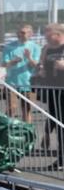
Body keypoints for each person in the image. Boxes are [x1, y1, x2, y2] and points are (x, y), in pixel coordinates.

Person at [34, 23, 64, 169]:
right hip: (53, 91)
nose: (45, 37)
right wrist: (40, 70)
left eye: (47, 34)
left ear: (57, 35)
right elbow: (40, 63)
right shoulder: (46, 48)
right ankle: (61, 159)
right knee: (59, 125)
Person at [2, 24, 41, 123]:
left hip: (29, 83)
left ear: (30, 34)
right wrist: (13, 61)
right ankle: (8, 130)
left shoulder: (36, 47)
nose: (20, 34)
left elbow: (37, 65)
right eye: (19, 32)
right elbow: (3, 63)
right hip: (12, 82)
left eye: (23, 32)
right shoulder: (9, 46)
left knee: (26, 110)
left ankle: (27, 133)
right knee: (11, 108)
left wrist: (29, 58)